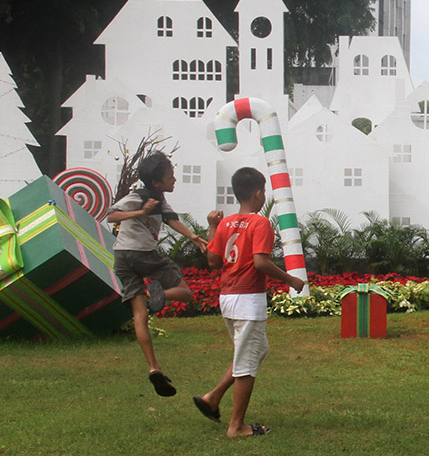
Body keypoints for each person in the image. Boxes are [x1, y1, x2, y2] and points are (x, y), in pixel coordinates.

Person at [193, 167, 305, 437]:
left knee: (256, 351)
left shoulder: (226, 223)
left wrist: (211, 227)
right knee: (247, 363)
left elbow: (212, 261)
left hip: (228, 297)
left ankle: (213, 397)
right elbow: (260, 262)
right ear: (258, 193)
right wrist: (291, 280)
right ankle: (236, 426)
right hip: (248, 300)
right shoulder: (260, 223)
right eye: (263, 191)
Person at [107, 151, 208, 397]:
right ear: (156, 182)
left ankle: (154, 368)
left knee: (140, 314)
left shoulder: (158, 199)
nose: (174, 180)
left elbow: (171, 219)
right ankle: (159, 294)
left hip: (121, 257)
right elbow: (111, 216)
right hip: (143, 254)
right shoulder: (139, 196)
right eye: (170, 176)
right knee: (185, 293)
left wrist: (193, 237)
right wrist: (140, 213)